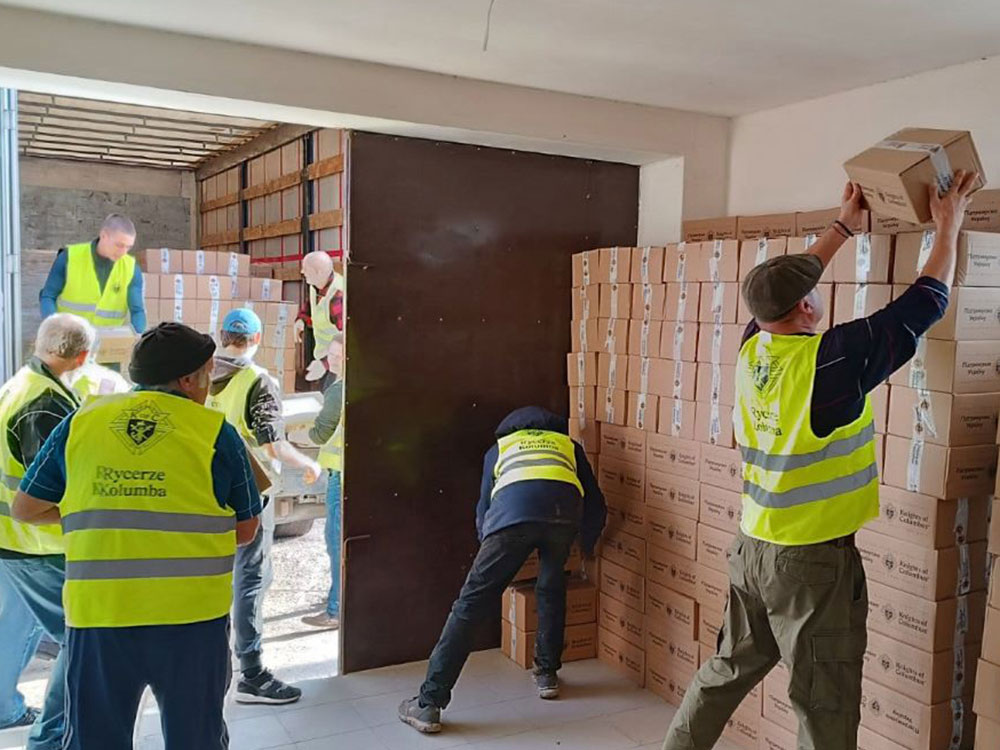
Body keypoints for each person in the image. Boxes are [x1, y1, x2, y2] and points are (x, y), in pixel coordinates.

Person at [660, 172, 979, 750]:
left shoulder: (753, 346)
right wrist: (949, 224)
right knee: (824, 708)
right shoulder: (831, 363)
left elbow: (779, 292)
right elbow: (926, 301)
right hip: (809, 568)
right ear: (807, 304)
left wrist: (840, 229)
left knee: (725, 672)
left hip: (752, 548)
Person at [12, 322, 262, 750]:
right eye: (207, 376)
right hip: (192, 621)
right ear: (189, 379)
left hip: (101, 617)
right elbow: (246, 528)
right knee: (196, 739)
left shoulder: (81, 421)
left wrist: (93, 514)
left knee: (95, 740)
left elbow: (26, 508)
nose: (210, 387)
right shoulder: (214, 432)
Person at [398, 406, 607, 735]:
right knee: (551, 591)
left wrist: (490, 546)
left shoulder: (500, 449)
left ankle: (428, 703)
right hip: (563, 517)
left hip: (512, 519)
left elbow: (484, 507)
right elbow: (595, 501)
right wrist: (589, 544)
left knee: (469, 606)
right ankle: (547, 674)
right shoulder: (568, 445)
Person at [208, 308, 322, 704]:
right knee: (252, 578)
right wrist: (306, 462)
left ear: (223, 335)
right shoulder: (258, 381)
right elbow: (272, 443)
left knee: (215, 581)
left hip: (205, 492)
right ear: (257, 340)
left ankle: (214, 669)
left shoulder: (199, 377)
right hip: (249, 494)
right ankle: (252, 672)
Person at [0, 314, 92, 750]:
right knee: (82, 635)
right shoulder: (44, 404)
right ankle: (51, 738)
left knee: (17, 627)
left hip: (11, 538)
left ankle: (4, 709)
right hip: (35, 542)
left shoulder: (22, 383)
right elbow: (49, 484)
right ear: (82, 356)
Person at [301, 334, 344, 630]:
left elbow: (321, 434)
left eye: (340, 355)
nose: (335, 361)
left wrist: (294, 435)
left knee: (335, 544)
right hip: (346, 473)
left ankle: (335, 610)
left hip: (340, 477)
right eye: (332, 355)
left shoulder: (337, 390)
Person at [40, 214, 146, 332]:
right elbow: (48, 296)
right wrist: (54, 329)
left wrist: (138, 338)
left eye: (128, 247)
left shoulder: (131, 268)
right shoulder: (70, 257)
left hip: (107, 342)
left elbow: (137, 311)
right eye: (119, 245)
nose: (123, 252)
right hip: (69, 338)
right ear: (103, 235)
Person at [295, 251, 344, 385]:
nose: (302, 272)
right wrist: (301, 319)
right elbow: (310, 306)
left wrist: (324, 365)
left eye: (306, 269)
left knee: (331, 398)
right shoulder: (315, 286)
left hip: (338, 364)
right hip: (324, 356)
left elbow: (348, 339)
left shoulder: (338, 296)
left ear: (319, 272)